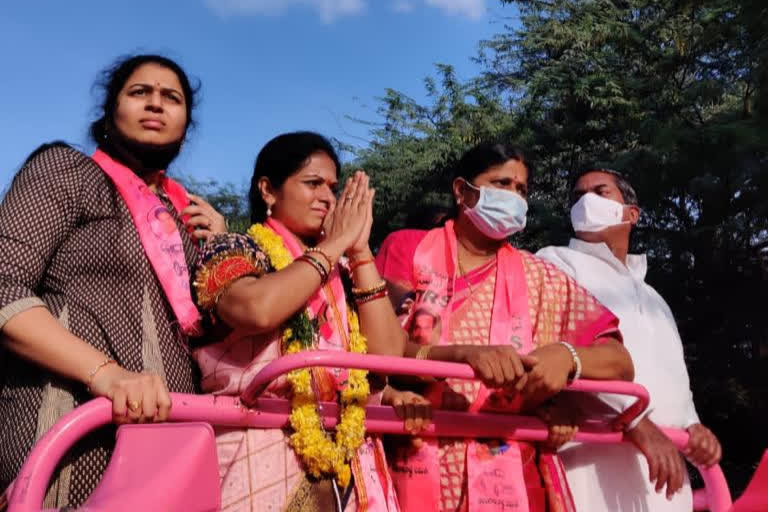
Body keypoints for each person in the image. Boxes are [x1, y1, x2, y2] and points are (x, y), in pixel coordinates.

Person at [0, 54, 225, 509]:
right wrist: (107, 375)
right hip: (70, 426)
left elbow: (215, 344)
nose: (156, 104)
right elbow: (5, 285)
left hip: (170, 444)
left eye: (171, 98)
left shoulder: (186, 220)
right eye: (140, 92)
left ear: (186, 124)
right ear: (110, 112)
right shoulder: (68, 172)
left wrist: (221, 249)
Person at [376, 142, 635, 512]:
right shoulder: (409, 249)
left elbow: (619, 361)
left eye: (522, 190)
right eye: (501, 184)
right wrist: (462, 356)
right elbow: (376, 342)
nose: (514, 197)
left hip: (511, 475)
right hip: (414, 458)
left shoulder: (541, 277)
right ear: (462, 191)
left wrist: (567, 357)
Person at [192, 131, 415, 511]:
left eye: (332, 187)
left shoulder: (345, 272)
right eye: (312, 184)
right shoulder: (238, 248)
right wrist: (335, 244)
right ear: (267, 189)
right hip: (260, 451)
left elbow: (389, 353)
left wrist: (359, 250)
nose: (328, 197)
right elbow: (256, 310)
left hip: (352, 460)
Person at [537, 167, 722, 511]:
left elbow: (673, 375)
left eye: (600, 192)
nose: (586, 201)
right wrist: (636, 422)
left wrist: (694, 426)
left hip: (664, 467)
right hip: (589, 457)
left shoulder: (654, 297)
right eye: (578, 196)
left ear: (632, 214)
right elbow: (553, 352)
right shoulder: (554, 262)